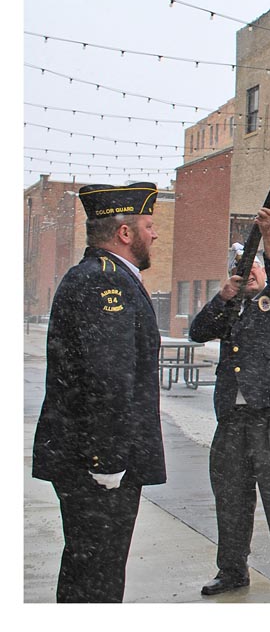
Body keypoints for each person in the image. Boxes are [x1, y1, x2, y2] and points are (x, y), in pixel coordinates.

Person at [32, 182, 165, 603]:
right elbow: (107, 378)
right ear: (125, 233)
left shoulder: (98, 276)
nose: (154, 233)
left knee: (89, 567)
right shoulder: (105, 283)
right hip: (95, 463)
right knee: (97, 576)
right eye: (148, 225)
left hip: (87, 455)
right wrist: (106, 461)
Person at [189, 207, 270, 603]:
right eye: (242, 272)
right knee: (230, 498)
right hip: (234, 417)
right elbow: (197, 332)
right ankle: (232, 570)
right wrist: (222, 295)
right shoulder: (230, 307)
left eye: (254, 269)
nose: (250, 276)